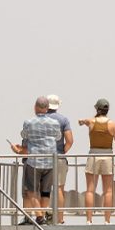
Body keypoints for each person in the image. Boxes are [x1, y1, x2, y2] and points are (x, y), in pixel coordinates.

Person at [11, 96, 62, 224]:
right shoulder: (55, 123)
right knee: (45, 192)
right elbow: (58, 137)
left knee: (31, 191)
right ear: (47, 108)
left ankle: (39, 217)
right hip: (50, 161)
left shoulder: (28, 122)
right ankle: (42, 216)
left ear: (35, 107)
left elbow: (24, 135)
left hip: (34, 161)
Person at [78, 98, 115, 224]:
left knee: (90, 190)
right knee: (108, 191)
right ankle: (107, 220)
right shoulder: (114, 125)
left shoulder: (91, 122)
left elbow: (82, 121)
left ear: (97, 109)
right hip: (107, 156)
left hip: (93, 155)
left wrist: (82, 121)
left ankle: (89, 220)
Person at [46, 94, 74, 223]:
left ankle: (43, 216)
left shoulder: (40, 119)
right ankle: (60, 218)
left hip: (43, 157)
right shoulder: (63, 120)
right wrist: (62, 151)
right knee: (59, 189)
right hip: (59, 157)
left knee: (43, 188)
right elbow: (70, 140)